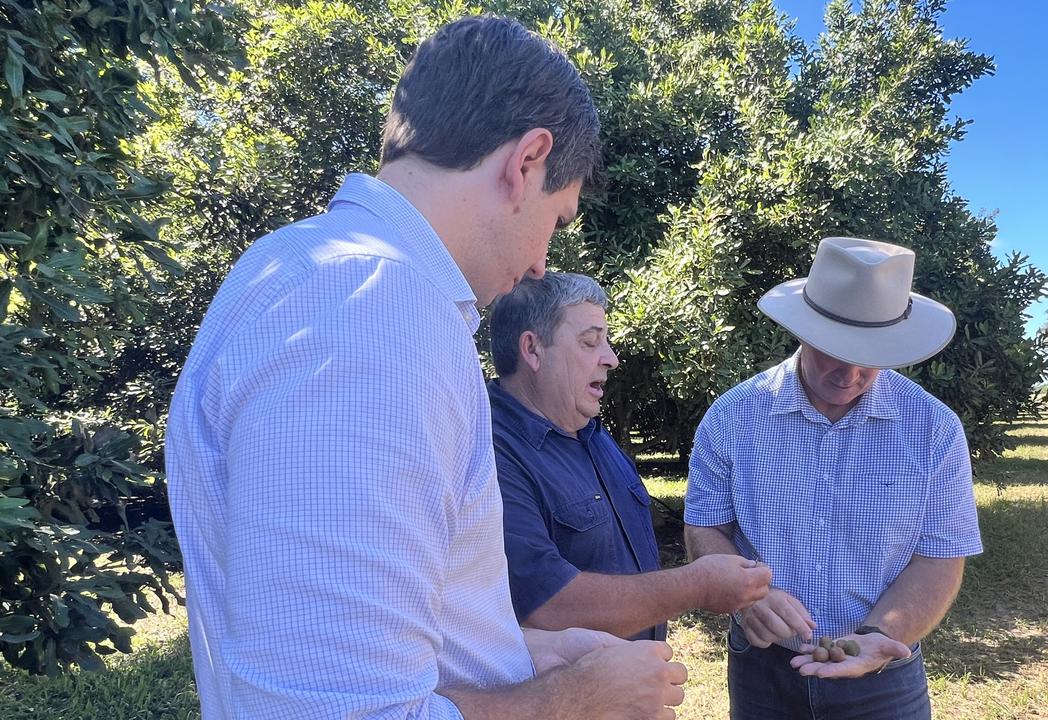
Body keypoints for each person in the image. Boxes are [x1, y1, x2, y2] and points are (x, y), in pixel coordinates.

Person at [165, 15, 686, 720]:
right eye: (556, 221)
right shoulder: (371, 308)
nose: (540, 264)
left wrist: (519, 653)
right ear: (527, 159)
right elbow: (331, 711)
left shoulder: (307, 271)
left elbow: (361, 649)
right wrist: (572, 699)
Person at [683, 237, 984, 720]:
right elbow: (705, 527)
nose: (851, 372)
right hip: (763, 666)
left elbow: (940, 556)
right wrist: (747, 598)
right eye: (833, 350)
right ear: (804, 331)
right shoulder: (733, 417)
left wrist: (880, 636)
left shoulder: (933, 428)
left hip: (885, 671)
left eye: (872, 354)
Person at [486, 272, 772, 641]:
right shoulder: (493, 451)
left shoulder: (589, 431)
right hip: (562, 697)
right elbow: (548, 606)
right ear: (532, 350)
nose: (612, 359)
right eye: (590, 342)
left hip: (635, 687)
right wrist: (695, 585)